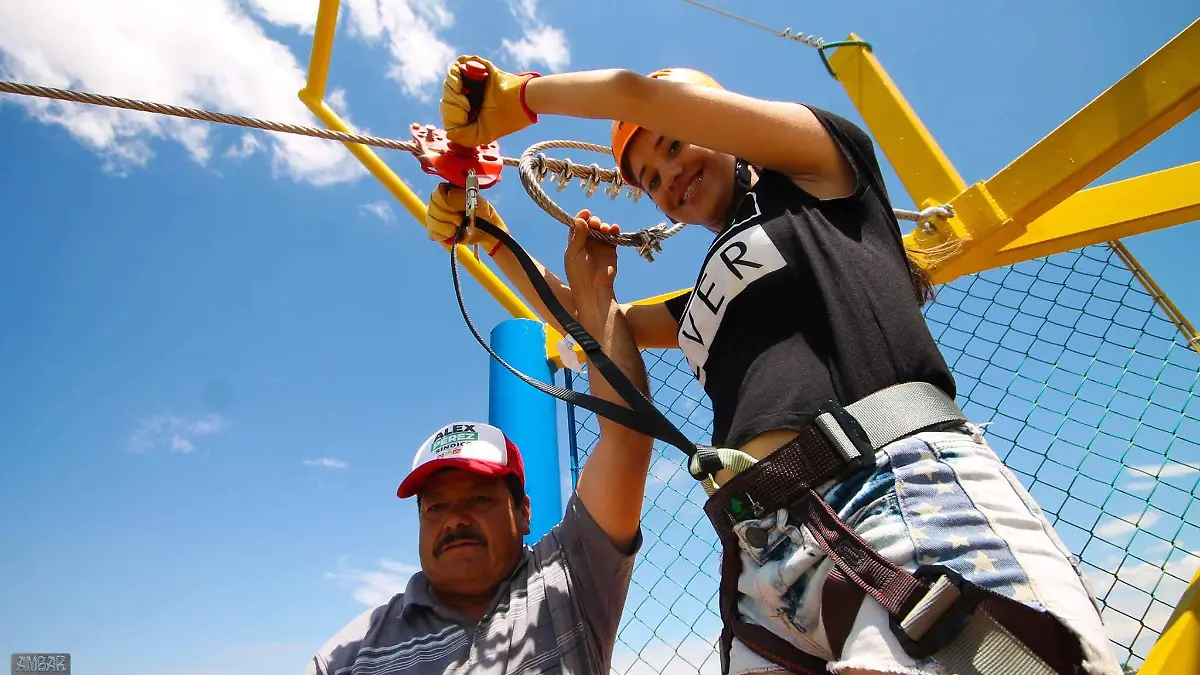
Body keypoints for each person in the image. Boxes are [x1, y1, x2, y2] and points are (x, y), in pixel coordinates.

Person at [423, 56, 1125, 675]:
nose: (669, 178)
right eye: (650, 179)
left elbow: (638, 93)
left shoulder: (822, 175)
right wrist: (492, 236)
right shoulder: (700, 296)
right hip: (764, 548)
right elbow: (594, 322)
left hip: (886, 486)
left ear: (719, 121)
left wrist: (520, 97)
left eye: (673, 147)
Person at [304, 210, 655, 675]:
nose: (455, 520)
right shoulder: (349, 654)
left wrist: (593, 294)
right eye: (436, 507)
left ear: (524, 512)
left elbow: (627, 437)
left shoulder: (568, 578)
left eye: (479, 497)